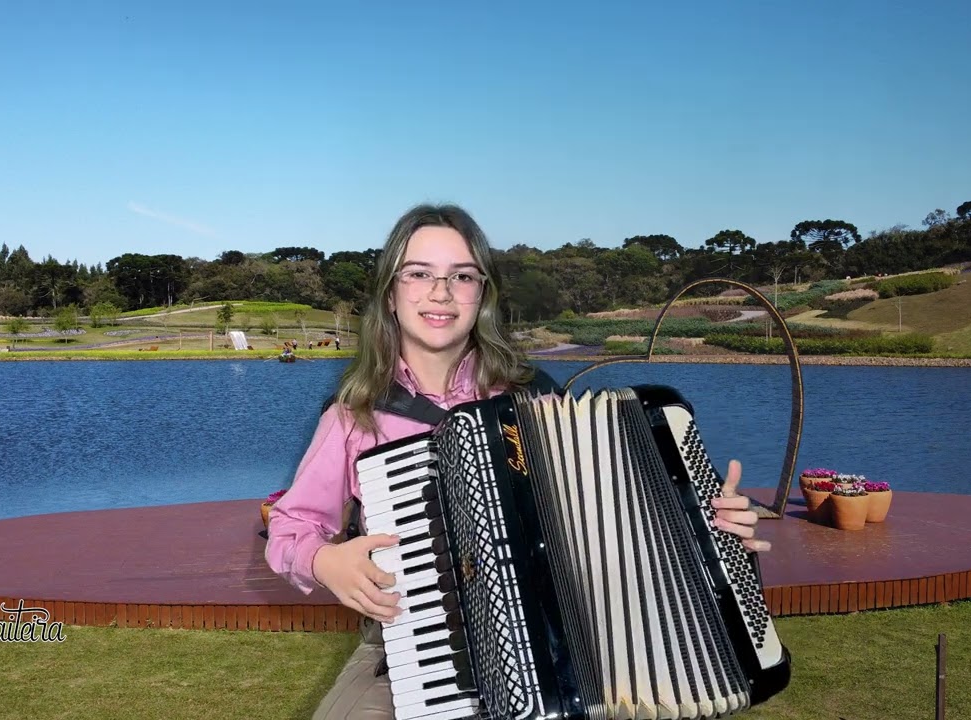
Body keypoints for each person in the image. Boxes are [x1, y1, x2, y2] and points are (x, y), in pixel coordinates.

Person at [264, 203, 769, 719]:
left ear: (481, 294)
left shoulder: (538, 402)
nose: (440, 292)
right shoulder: (355, 416)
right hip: (410, 651)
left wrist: (713, 528)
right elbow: (291, 526)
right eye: (418, 274)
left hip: (570, 646)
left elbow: (630, 523)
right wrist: (324, 560)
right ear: (391, 294)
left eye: (461, 276)